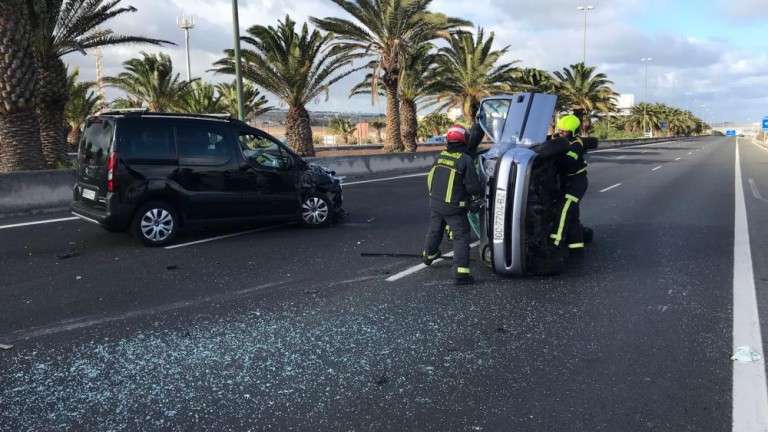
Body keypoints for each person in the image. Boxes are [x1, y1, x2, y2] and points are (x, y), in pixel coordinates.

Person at [422, 124, 483, 285]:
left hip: (435, 203)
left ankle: (428, 255)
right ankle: (461, 273)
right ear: (464, 140)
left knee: (435, 230)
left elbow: (431, 178)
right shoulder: (465, 160)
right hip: (454, 208)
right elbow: (473, 186)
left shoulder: (441, 156)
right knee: (461, 236)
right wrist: (478, 197)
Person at [550, 114, 589, 251]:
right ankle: (576, 245)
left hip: (576, 183)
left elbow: (569, 161)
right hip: (566, 181)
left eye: (564, 132)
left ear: (572, 132)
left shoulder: (576, 144)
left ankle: (555, 243)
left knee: (563, 211)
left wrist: (555, 153)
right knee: (572, 215)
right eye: (559, 130)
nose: (560, 133)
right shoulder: (558, 140)